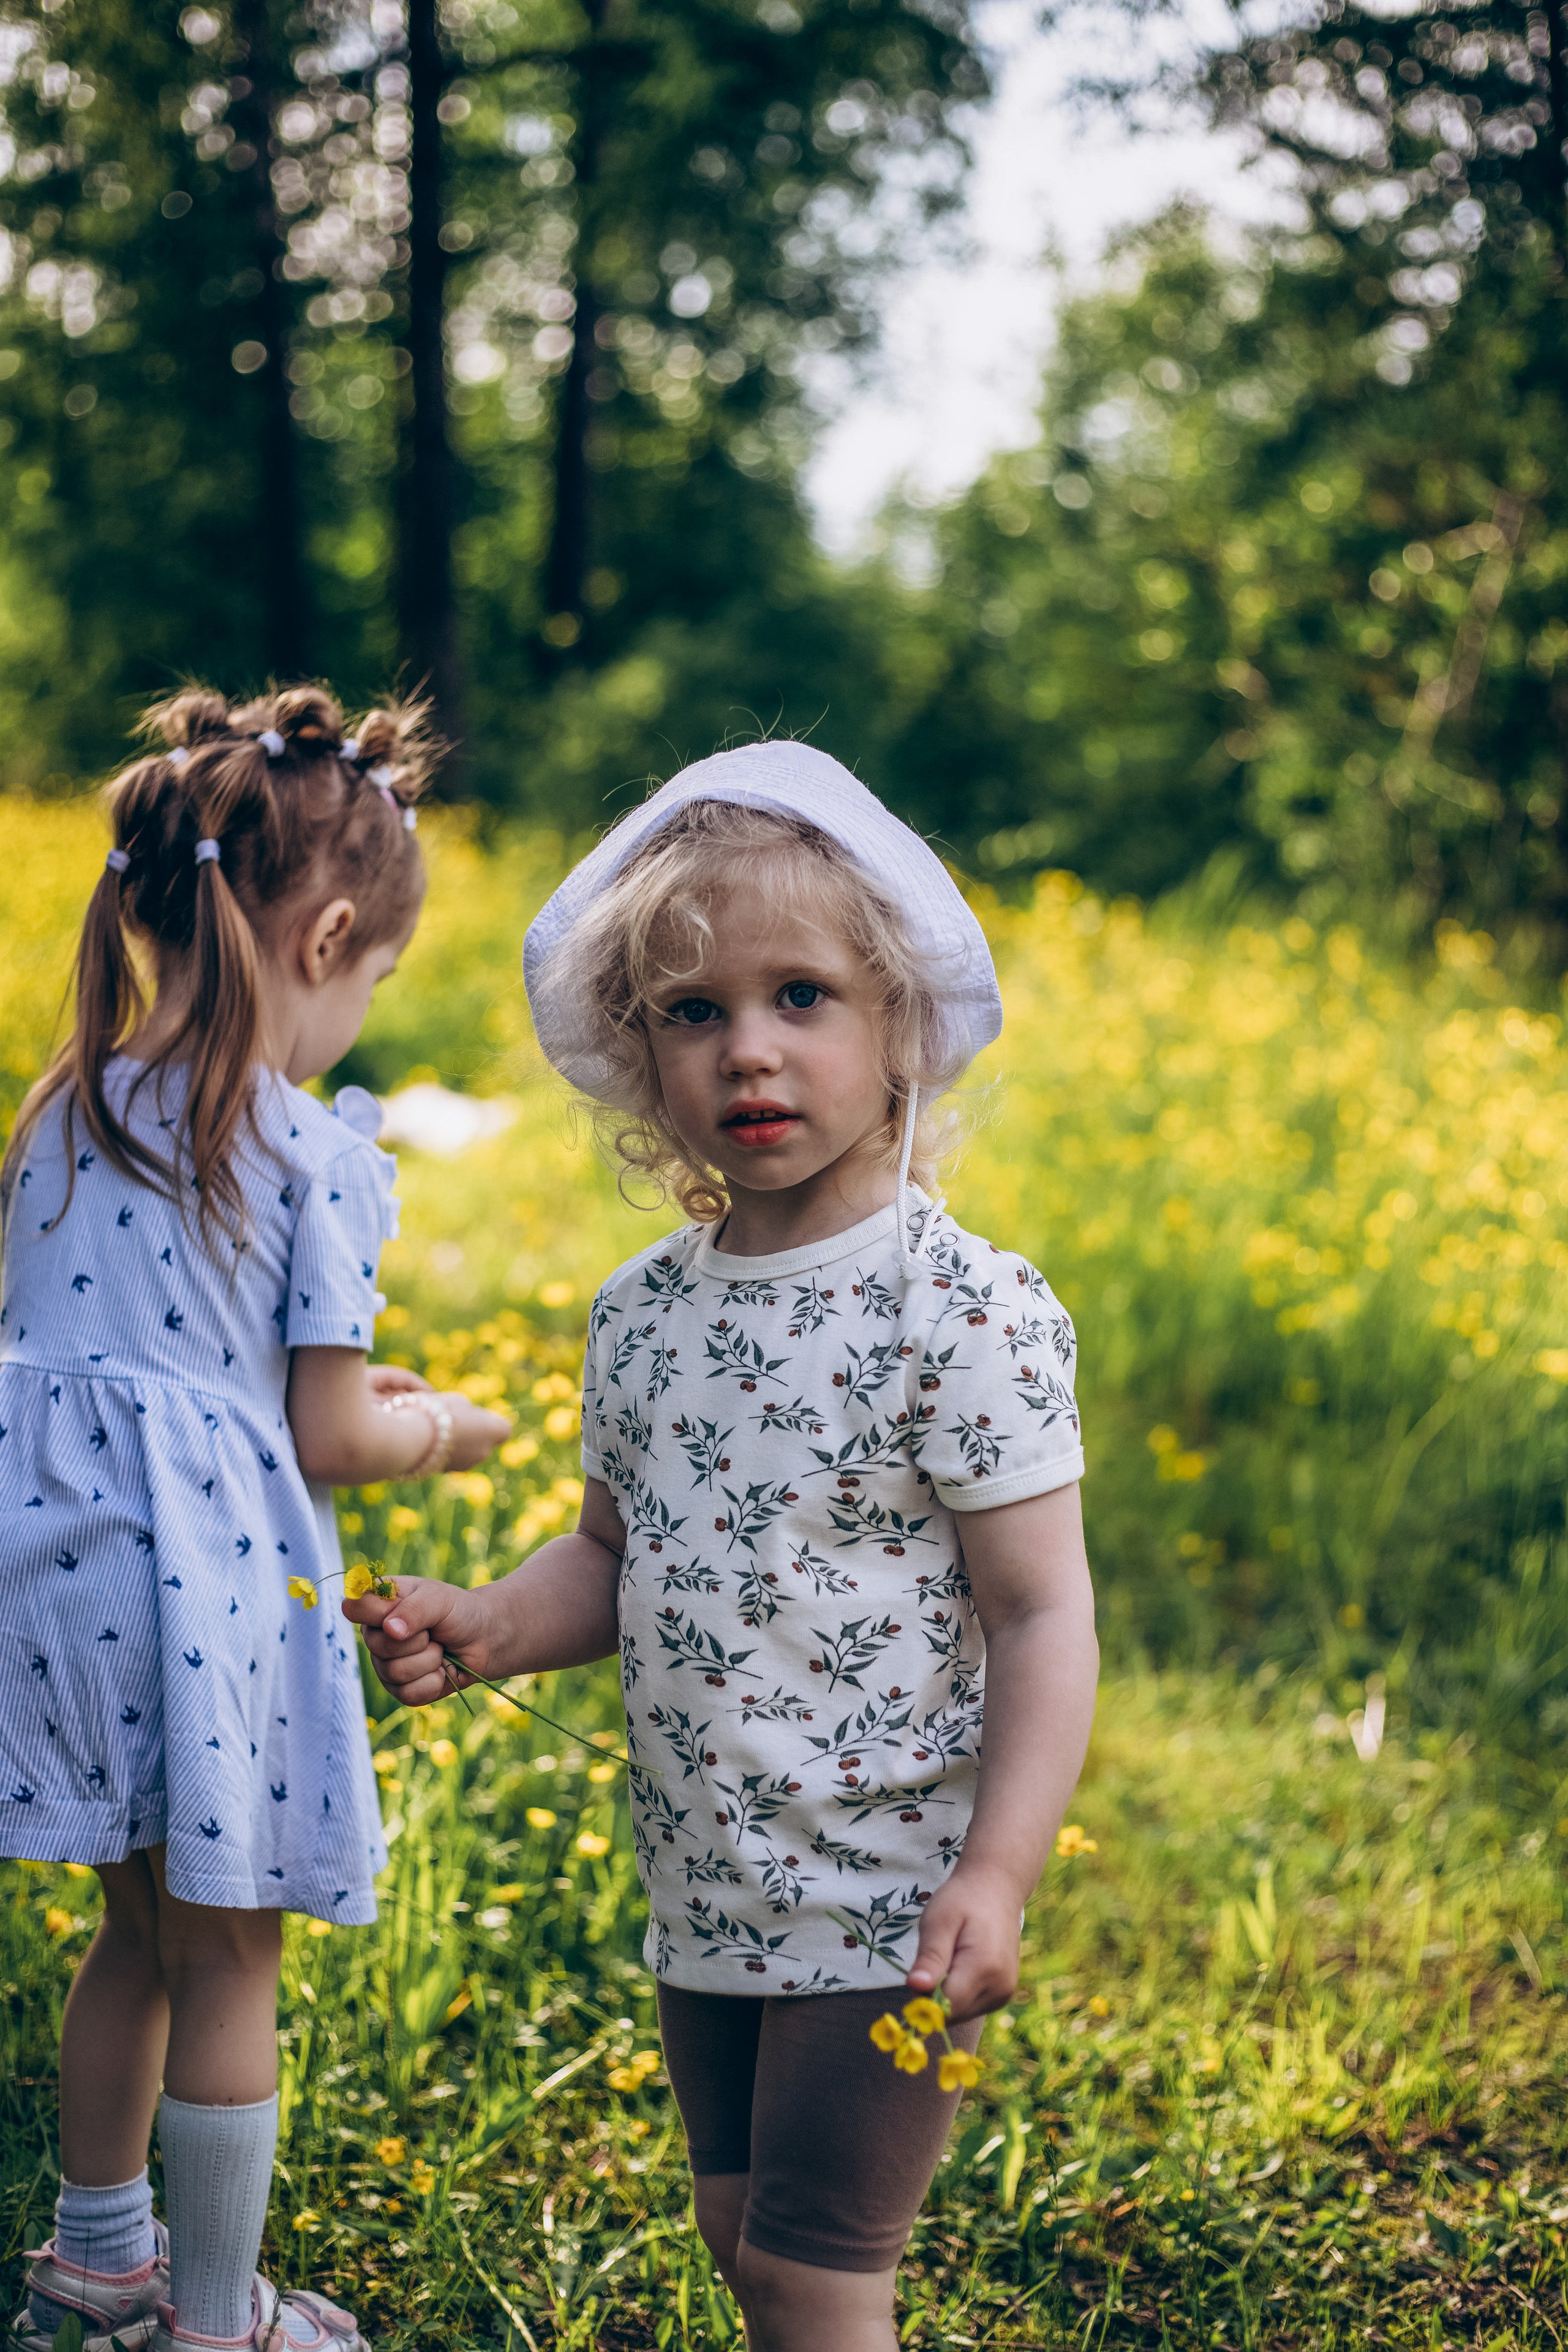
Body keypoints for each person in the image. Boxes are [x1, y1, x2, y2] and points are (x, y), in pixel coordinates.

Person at [346, 741, 1099, 2352]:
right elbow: (611, 1558)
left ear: (901, 1021)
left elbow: (1041, 1617)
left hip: (885, 1890)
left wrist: (997, 1872)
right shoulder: (644, 1318)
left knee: (815, 2271)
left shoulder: (962, 1311)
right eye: (695, 1012)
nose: (749, 1049)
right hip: (707, 1885)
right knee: (739, 2232)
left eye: (803, 997)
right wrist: (487, 1620)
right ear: (639, 1055)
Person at [2, 687, 508, 2352]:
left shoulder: (62, 1111)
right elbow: (325, 1427)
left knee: (133, 1928)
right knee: (232, 1961)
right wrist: (446, 1430)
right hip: (192, 1589)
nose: (366, 1008)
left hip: (49, 1580)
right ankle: (216, 2325)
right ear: (336, 935)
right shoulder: (307, 1152)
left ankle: (94, 2264)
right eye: (375, 980)